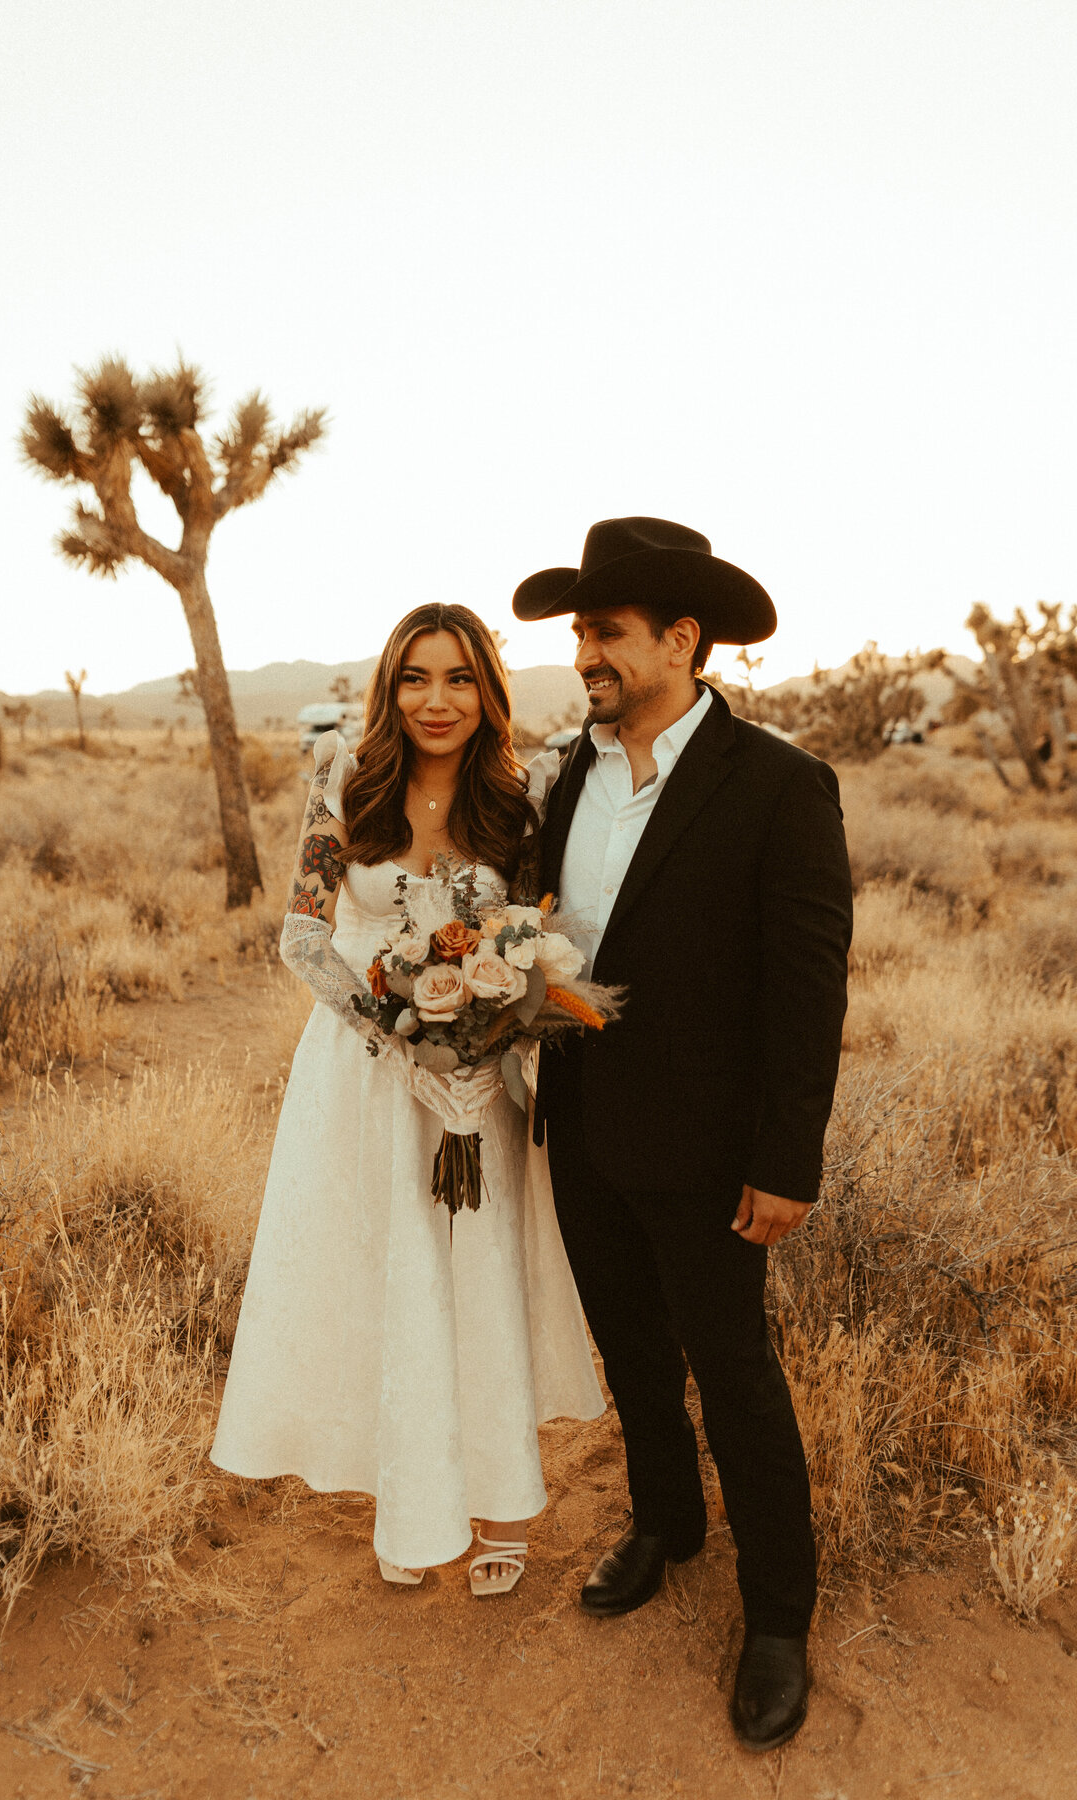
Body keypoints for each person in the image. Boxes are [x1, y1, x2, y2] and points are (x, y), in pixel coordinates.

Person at [512, 518, 852, 1751]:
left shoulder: (779, 785)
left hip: (712, 1151)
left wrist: (785, 1159)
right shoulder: (568, 777)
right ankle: (665, 1523)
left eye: (605, 633)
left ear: (682, 639)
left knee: (737, 1374)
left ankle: (776, 1616)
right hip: (585, 1124)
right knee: (632, 1352)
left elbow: (807, 991)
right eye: (578, 635)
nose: (584, 654)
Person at [211, 603, 604, 1593]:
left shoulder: (519, 800)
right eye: (417, 679)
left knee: (479, 1281)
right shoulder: (346, 778)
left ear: (489, 693)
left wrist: (487, 1041)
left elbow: (526, 943)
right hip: (363, 1079)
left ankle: (504, 1508)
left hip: (481, 1087)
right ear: (389, 691)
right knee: (392, 1283)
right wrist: (399, 1040)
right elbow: (304, 938)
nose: (438, 700)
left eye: (461, 678)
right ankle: (414, 1505)